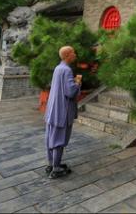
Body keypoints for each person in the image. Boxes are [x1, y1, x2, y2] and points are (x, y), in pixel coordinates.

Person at [44, 45, 82, 179]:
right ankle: (56, 168)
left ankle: (51, 164)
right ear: (67, 55)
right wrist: (77, 82)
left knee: (51, 137)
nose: (75, 55)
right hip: (62, 111)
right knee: (59, 139)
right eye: (73, 53)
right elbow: (70, 92)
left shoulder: (58, 68)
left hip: (53, 109)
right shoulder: (66, 70)